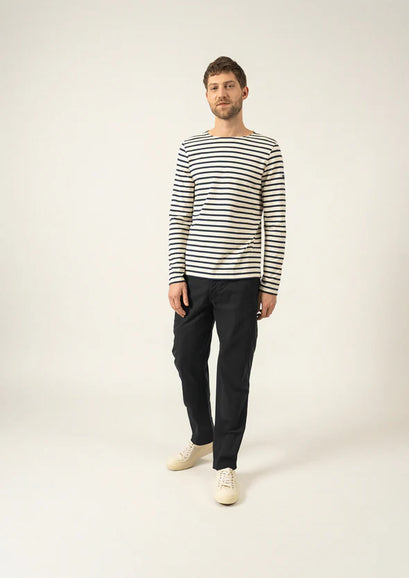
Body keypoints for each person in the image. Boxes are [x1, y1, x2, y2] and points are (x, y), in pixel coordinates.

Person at [166, 56, 286, 505]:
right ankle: (203, 436)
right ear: (206, 95)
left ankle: (226, 464)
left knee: (233, 373)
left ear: (244, 92)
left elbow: (275, 220)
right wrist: (175, 275)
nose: (222, 93)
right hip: (194, 279)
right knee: (185, 358)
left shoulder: (266, 149)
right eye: (215, 87)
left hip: (241, 282)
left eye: (230, 85)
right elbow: (180, 214)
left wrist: (270, 284)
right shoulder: (191, 148)